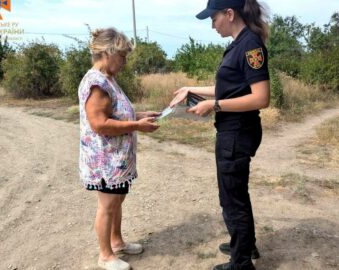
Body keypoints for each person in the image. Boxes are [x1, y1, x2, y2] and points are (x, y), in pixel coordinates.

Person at [169, 0, 270, 269]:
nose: (212, 24)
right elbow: (230, 88)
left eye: (214, 18)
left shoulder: (250, 45)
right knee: (235, 194)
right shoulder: (239, 44)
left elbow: (261, 97)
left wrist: (213, 105)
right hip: (232, 131)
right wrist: (191, 89)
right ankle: (244, 245)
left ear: (229, 13)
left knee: (232, 198)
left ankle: (241, 263)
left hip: (237, 133)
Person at [78, 28, 160, 270]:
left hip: (117, 161)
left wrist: (141, 115)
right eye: (122, 56)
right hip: (105, 162)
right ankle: (105, 256)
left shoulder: (108, 79)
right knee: (107, 205)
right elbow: (100, 123)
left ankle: (116, 243)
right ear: (107, 53)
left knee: (117, 200)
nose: (125, 62)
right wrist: (137, 125)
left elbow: (116, 112)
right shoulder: (96, 83)